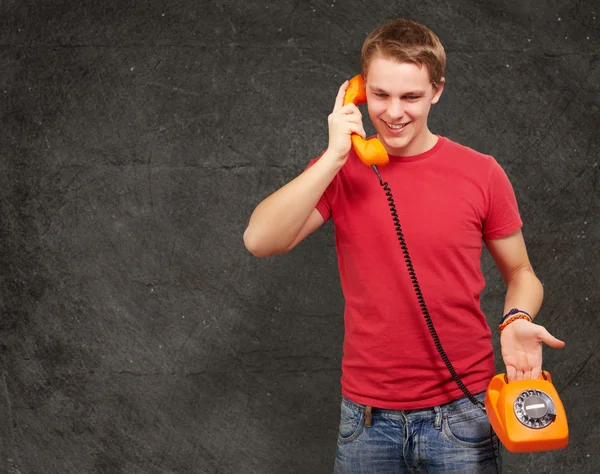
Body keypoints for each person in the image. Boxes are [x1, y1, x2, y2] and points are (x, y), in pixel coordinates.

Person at [243, 18, 565, 473]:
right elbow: (259, 240)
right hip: (367, 421)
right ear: (358, 91)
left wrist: (516, 318)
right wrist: (335, 155)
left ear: (436, 90)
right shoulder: (341, 170)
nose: (393, 112)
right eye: (380, 95)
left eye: (411, 96)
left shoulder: (482, 173)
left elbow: (521, 274)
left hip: (462, 414)